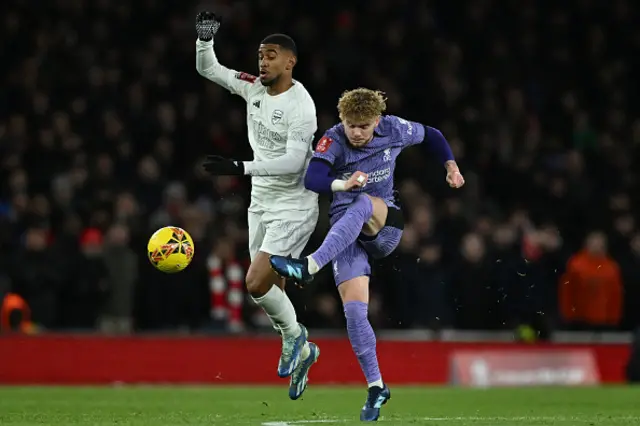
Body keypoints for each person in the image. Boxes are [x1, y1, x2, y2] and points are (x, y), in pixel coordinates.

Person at [270, 88, 464, 421]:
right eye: (351, 125)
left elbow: (432, 135)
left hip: (384, 225)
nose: (357, 133)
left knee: (362, 203)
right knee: (355, 315)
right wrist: (341, 184)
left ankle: (310, 265)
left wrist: (451, 165)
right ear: (342, 121)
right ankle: (376, 386)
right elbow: (314, 177)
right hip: (345, 239)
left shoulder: (394, 128)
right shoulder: (333, 139)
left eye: (363, 126)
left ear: (377, 121)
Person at [195, 11, 319, 400]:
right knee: (267, 288)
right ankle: (301, 349)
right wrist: (203, 39)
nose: (262, 62)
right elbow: (209, 70)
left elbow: (296, 162)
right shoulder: (254, 89)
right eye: (260, 55)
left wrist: (240, 167)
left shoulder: (301, 106)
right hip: (261, 202)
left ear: (290, 61)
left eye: (270, 55)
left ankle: (296, 336)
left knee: (254, 281)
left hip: (295, 205)